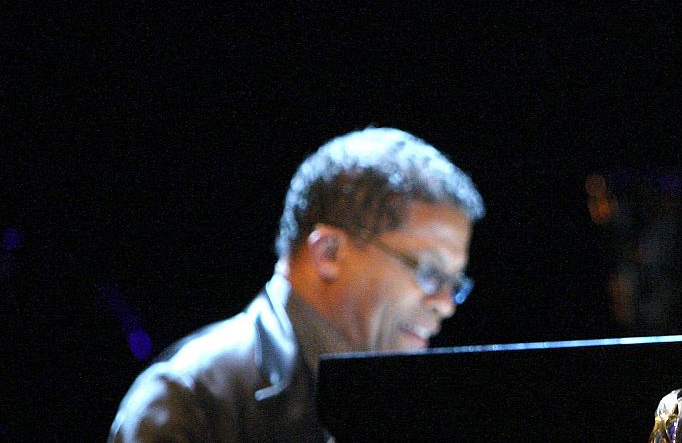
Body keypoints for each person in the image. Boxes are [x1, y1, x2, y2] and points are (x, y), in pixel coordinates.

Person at [109, 127, 485, 442]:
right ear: (329, 253)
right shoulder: (188, 400)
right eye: (430, 272)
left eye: (454, 282)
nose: (446, 303)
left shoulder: (419, 405)